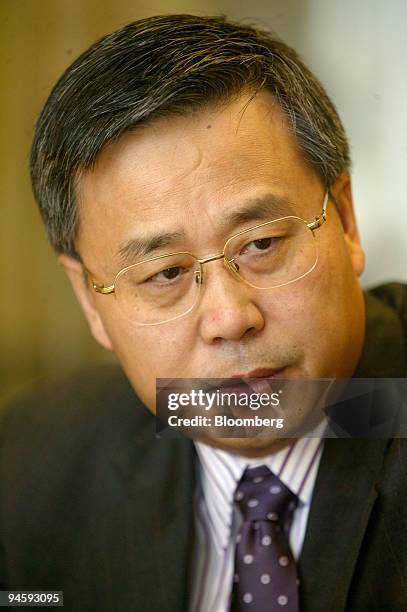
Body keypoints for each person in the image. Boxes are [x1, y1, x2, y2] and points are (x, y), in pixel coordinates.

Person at [1, 13, 406, 612]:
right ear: (90, 299)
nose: (229, 317)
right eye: (165, 274)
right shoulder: (28, 463)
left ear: (344, 220)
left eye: (261, 244)